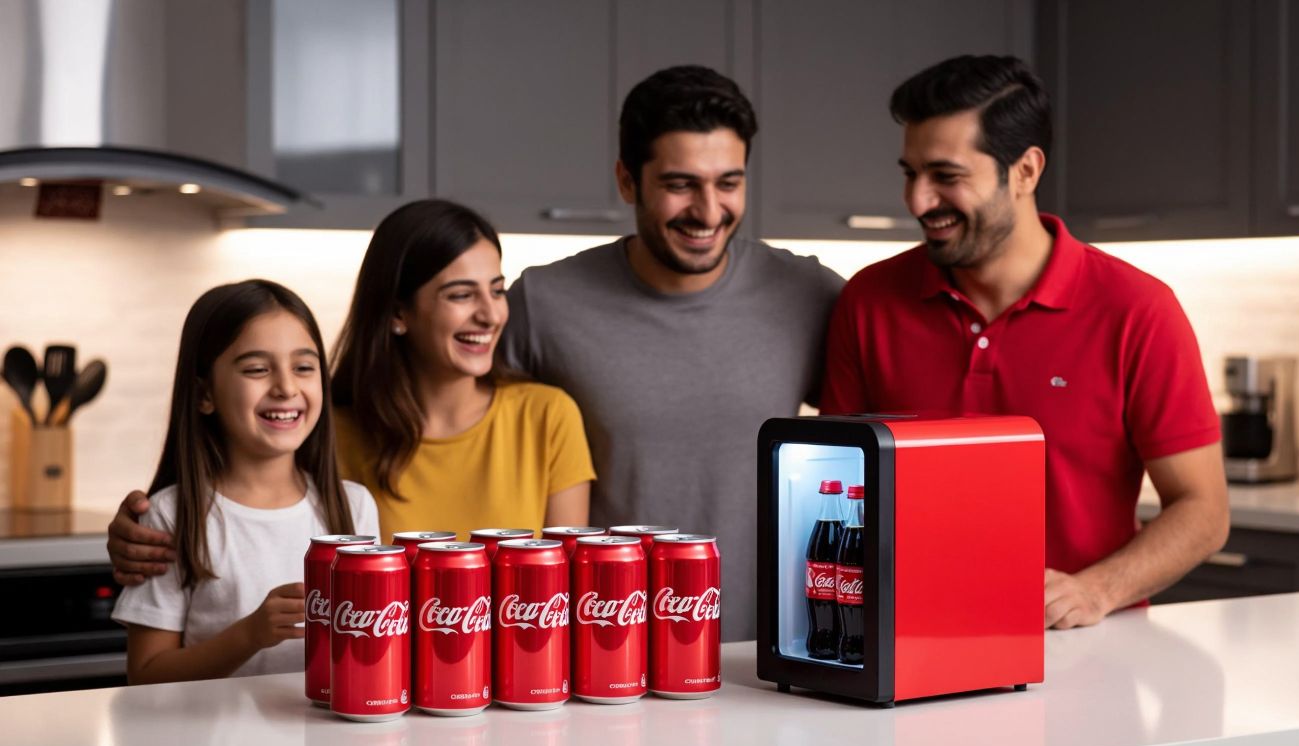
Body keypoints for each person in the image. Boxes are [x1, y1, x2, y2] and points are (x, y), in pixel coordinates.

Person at [819, 55, 1229, 630]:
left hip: (1080, 644)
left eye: (946, 176)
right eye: (910, 173)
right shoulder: (869, 301)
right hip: (908, 638)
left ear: (1026, 171)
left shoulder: (1137, 310)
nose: (917, 201)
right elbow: (835, 486)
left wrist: (1095, 591)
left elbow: (1203, 511)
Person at [499, 65, 845, 641]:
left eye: (729, 183)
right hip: (604, 648)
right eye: (681, 184)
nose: (709, 211)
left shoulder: (809, 295)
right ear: (628, 181)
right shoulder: (544, 303)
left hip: (766, 647)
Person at [107, 200, 595, 580]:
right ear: (397, 314)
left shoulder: (548, 417)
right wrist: (145, 528)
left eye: (497, 289)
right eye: (461, 295)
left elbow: (566, 586)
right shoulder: (328, 432)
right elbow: (234, 515)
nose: (491, 314)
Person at [111, 280, 379, 682]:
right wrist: (249, 635)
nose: (287, 387)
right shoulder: (171, 516)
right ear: (205, 394)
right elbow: (146, 674)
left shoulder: (354, 506)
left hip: (329, 742)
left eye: (304, 367)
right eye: (257, 369)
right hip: (210, 744)